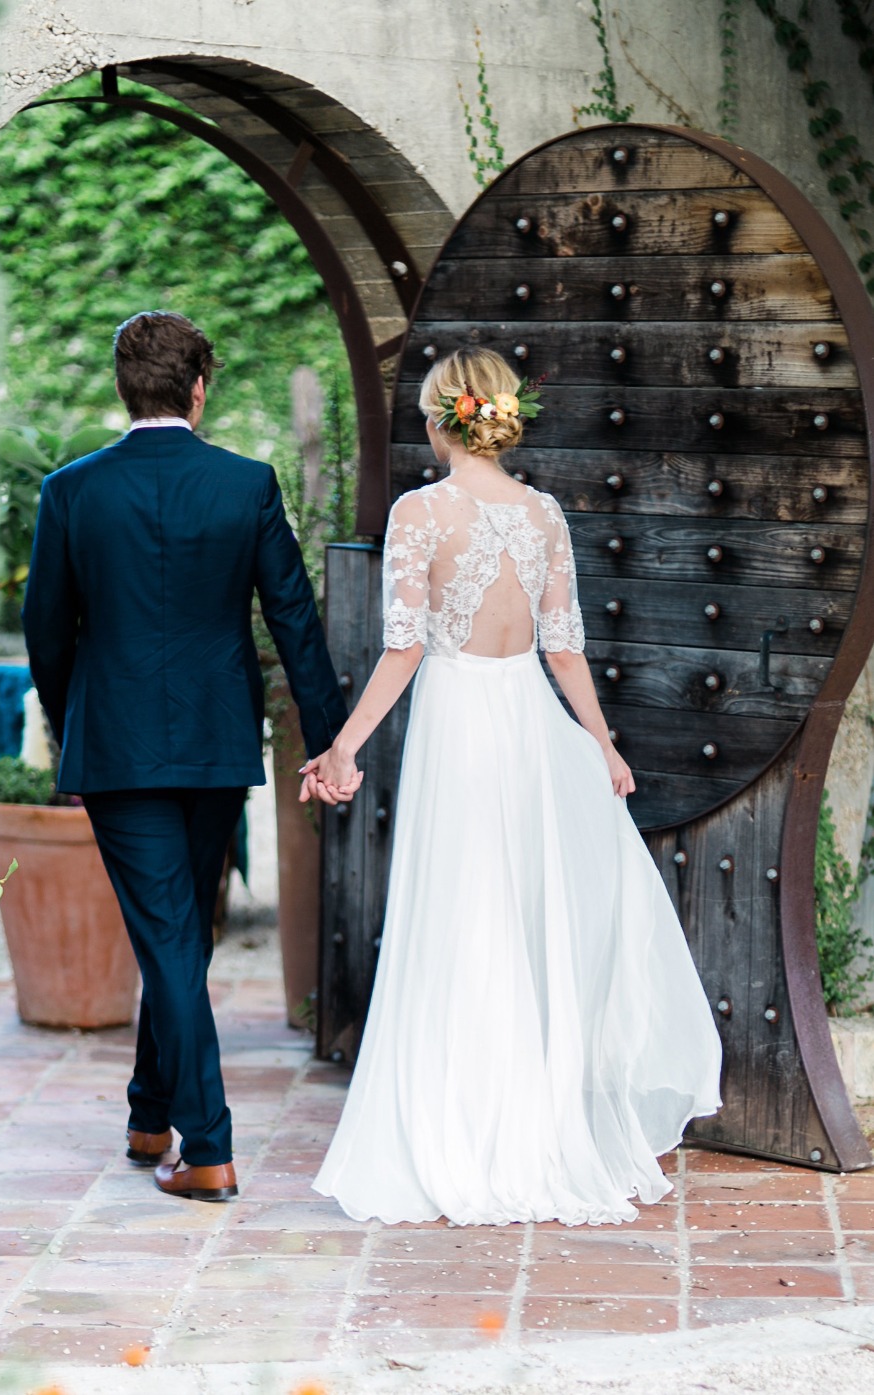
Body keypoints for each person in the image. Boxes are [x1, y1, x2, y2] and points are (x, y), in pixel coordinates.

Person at [300, 347, 722, 1226]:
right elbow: (565, 646)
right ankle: (530, 1128)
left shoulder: (421, 513)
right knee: (523, 916)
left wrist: (343, 746)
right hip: (530, 722)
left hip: (457, 726)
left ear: (436, 420)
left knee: (460, 912)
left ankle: (461, 1129)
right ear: (499, 417)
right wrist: (603, 746)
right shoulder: (544, 513)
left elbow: (406, 647)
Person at [23, 311, 349, 1202]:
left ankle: (204, 1147)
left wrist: (67, 721)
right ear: (198, 388)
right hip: (214, 742)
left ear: (126, 388)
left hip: (118, 748)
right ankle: (149, 1111)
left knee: (170, 935)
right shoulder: (246, 483)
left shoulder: (71, 491)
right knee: (178, 933)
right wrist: (329, 738)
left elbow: (46, 634)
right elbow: (294, 619)